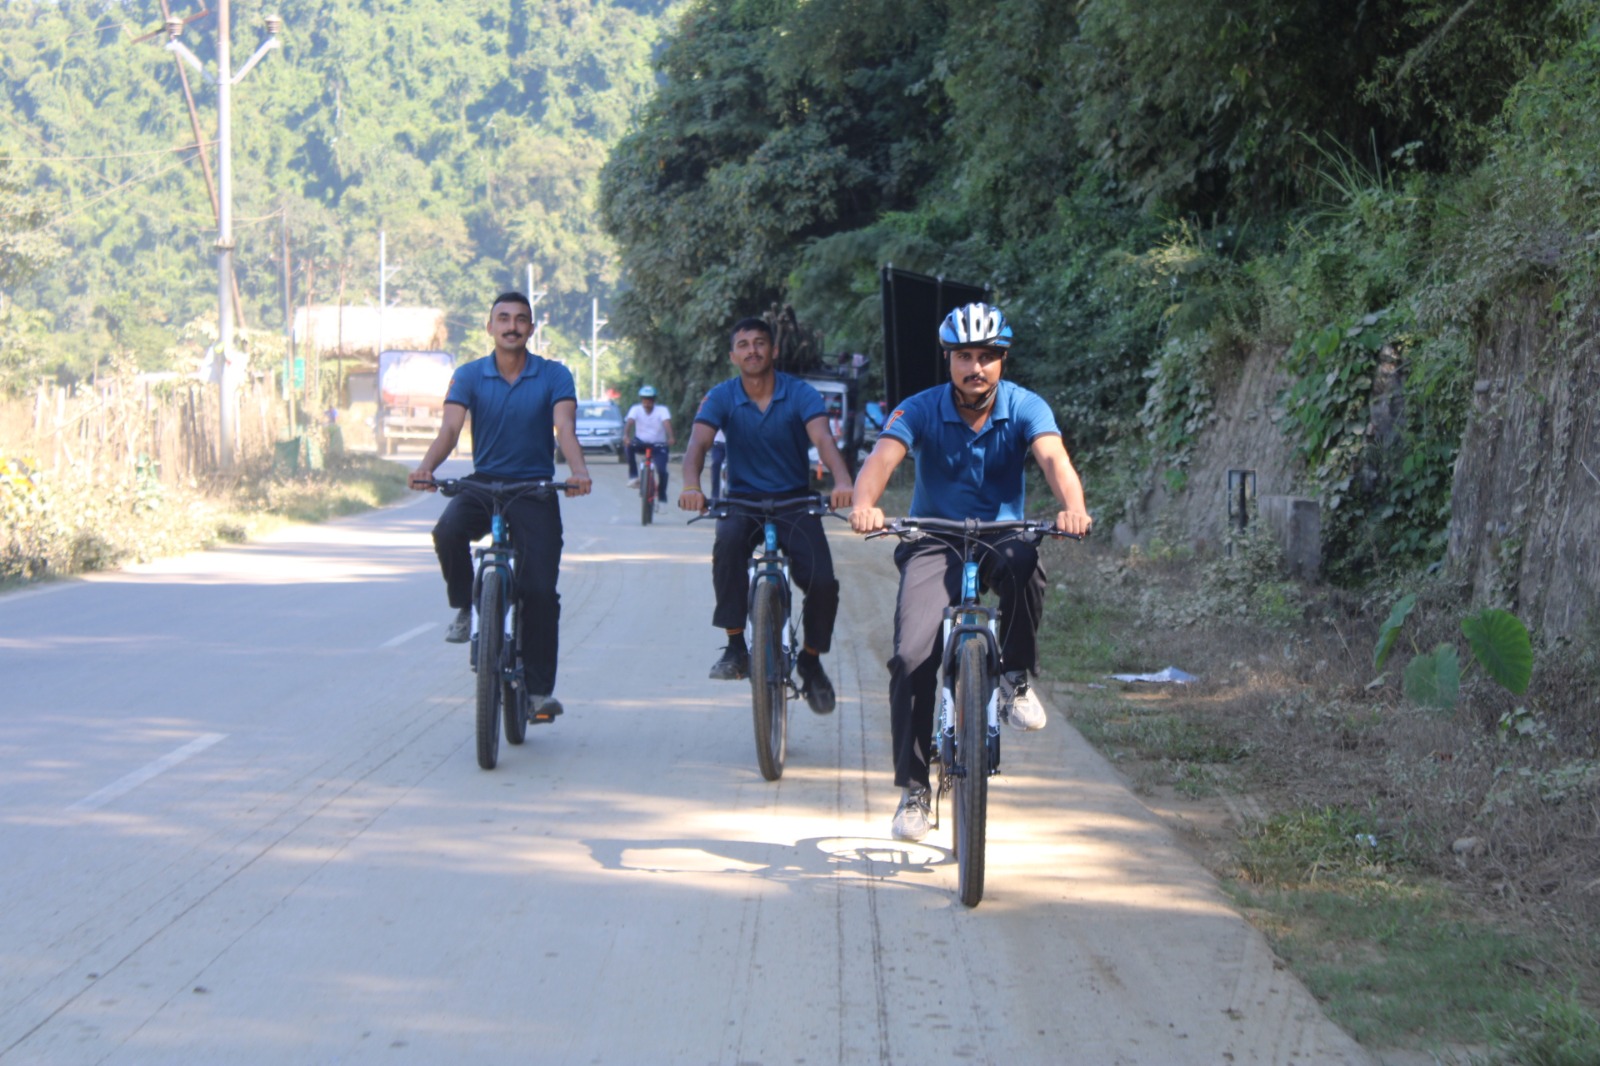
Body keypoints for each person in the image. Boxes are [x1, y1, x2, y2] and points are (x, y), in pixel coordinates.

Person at [848, 301, 1092, 842]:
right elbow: (882, 459)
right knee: (911, 656)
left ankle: (1013, 678)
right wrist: (865, 503)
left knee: (1027, 559)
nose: (974, 367)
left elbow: (1054, 459)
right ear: (949, 359)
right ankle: (913, 790)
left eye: (986, 356)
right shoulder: (919, 408)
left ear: (1001, 360)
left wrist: (1071, 507)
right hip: (933, 538)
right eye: (964, 355)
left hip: (1001, 536)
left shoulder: (1026, 406)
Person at [409, 290, 593, 720]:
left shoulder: (555, 374)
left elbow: (564, 428)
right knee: (448, 532)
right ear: (489, 327)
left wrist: (578, 472)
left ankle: (537, 693)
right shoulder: (470, 374)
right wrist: (425, 468)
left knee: (540, 592)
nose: (512, 326)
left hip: (535, 489)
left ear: (531, 328)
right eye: (503, 318)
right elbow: (450, 430)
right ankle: (465, 605)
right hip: (484, 483)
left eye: (521, 319)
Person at [679, 317, 855, 714]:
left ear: (773, 351)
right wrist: (692, 486)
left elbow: (823, 439)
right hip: (742, 500)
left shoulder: (800, 393)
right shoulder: (722, 396)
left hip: (794, 500)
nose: (752, 351)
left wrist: (843, 481)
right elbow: (697, 445)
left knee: (823, 582)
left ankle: (810, 660)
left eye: (760, 343)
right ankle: (737, 646)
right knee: (727, 545)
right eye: (743, 345)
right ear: (733, 355)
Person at [624, 385, 674, 505]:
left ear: (654, 400)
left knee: (662, 471)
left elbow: (666, 423)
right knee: (628, 446)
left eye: (650, 400)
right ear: (641, 400)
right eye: (644, 400)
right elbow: (630, 422)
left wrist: (671, 437)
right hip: (641, 443)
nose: (647, 403)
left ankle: (662, 497)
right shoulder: (635, 409)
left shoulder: (662, 410)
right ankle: (634, 476)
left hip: (659, 445)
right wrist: (626, 436)